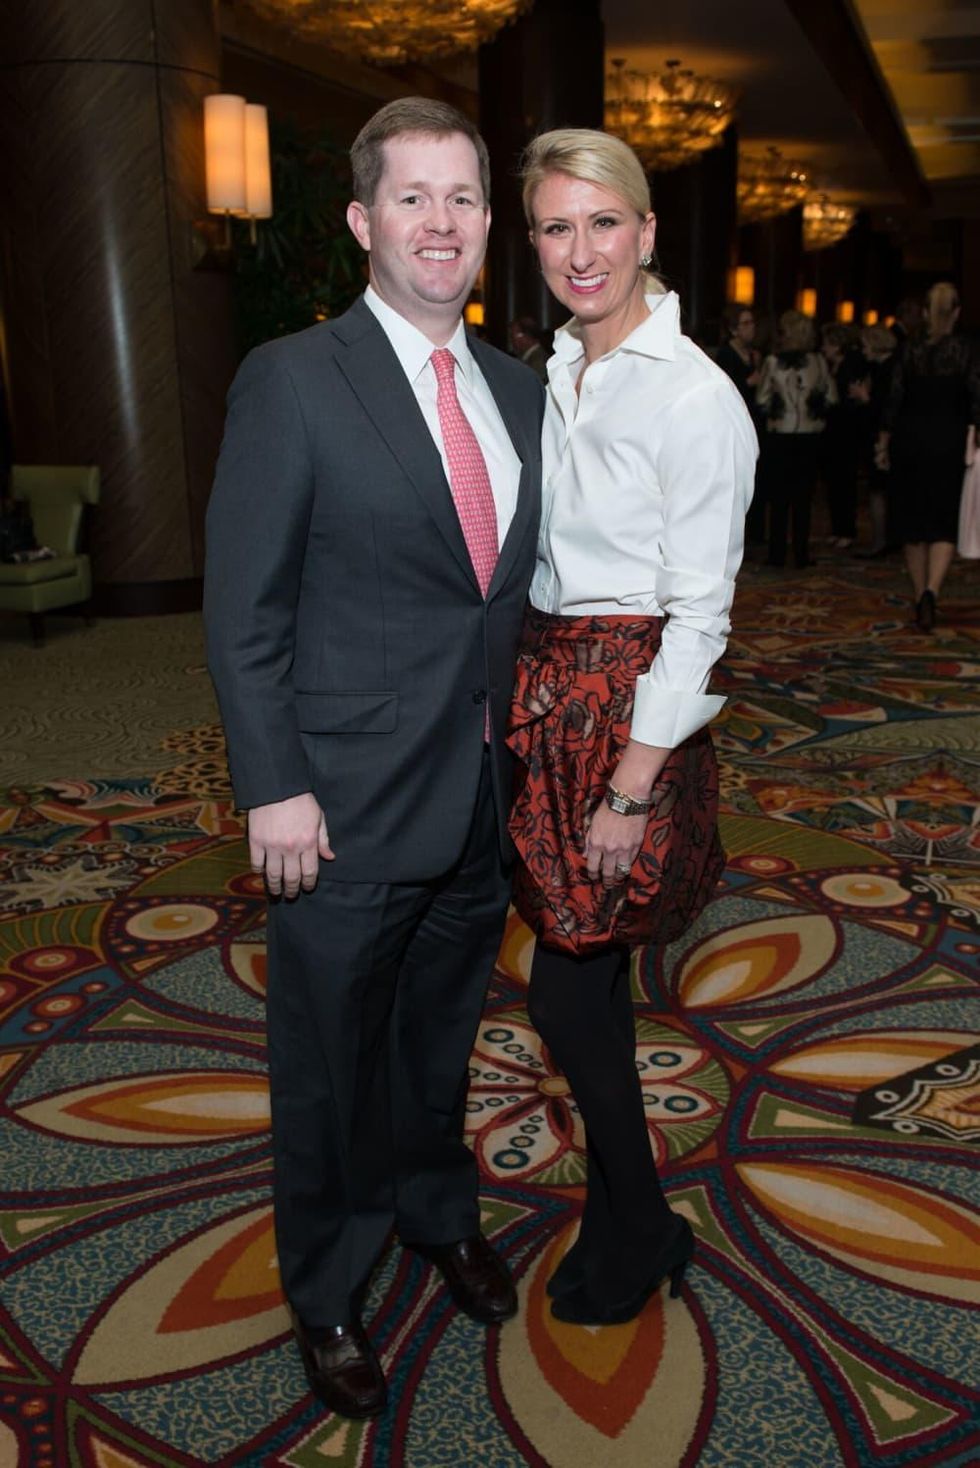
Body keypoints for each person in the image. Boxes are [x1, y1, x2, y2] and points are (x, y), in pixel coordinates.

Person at [204, 97, 543, 1419]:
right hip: (336, 806)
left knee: (443, 1036)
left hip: (480, 793)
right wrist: (272, 783)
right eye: (415, 198)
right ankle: (329, 1285)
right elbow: (245, 614)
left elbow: (501, 597)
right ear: (362, 221)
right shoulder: (294, 379)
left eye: (463, 198)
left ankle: (434, 1211)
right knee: (332, 1058)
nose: (443, 223)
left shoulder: (515, 388)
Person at [506, 128, 756, 1327]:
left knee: (562, 990)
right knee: (584, 976)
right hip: (548, 689)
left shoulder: (692, 394)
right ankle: (624, 1212)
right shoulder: (554, 366)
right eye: (556, 227)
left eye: (602, 223)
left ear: (646, 232)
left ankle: (642, 1215)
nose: (580, 250)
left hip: (626, 706)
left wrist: (631, 783)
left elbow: (700, 612)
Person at [879, 281, 980, 629]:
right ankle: (931, 592)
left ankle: (920, 587)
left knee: (912, 520)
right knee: (942, 518)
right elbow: (977, 397)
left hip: (910, 440)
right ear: (956, 313)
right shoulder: (966, 350)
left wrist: (885, 438)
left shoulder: (909, 350)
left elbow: (893, 400)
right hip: (948, 441)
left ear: (924, 313)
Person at [756, 310, 836, 569]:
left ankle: (777, 554)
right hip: (809, 437)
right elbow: (832, 397)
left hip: (780, 435)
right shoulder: (819, 362)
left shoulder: (772, 362)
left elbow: (761, 399)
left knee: (779, 498)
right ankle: (801, 554)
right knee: (803, 497)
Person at [716, 303, 765, 543]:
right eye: (746, 323)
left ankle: (756, 534)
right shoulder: (726, 354)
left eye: (752, 322)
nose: (751, 328)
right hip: (735, 422)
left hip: (757, 420)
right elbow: (727, 390)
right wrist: (750, 382)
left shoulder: (755, 353)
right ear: (734, 329)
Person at [851, 323, 898, 558]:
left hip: (885, 438)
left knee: (879, 490)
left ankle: (881, 542)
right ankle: (883, 540)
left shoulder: (889, 370)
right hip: (878, 435)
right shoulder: (880, 368)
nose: (863, 350)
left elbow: (885, 409)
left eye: (865, 345)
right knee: (879, 490)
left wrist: (865, 397)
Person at [819, 322, 866, 549]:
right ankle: (837, 528)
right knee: (834, 482)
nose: (823, 348)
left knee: (846, 482)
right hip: (832, 431)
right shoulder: (830, 366)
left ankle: (848, 529)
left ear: (838, 345)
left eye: (827, 344)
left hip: (848, 431)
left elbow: (852, 399)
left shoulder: (852, 364)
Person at [509, 315, 549, 381]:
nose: (512, 340)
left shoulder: (538, 360)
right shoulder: (528, 357)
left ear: (526, 336)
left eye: (513, 335)